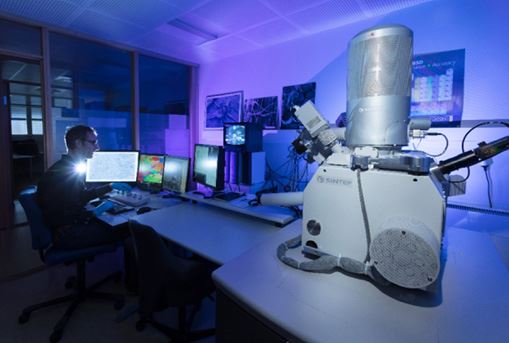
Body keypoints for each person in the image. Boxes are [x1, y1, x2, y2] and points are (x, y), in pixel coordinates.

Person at [37, 125, 130, 250]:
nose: (97, 147)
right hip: (68, 233)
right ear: (78, 143)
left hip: (68, 227)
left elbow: (78, 197)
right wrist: (94, 212)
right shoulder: (63, 173)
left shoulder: (67, 167)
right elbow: (62, 216)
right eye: (93, 142)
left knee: (117, 222)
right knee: (128, 229)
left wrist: (109, 186)